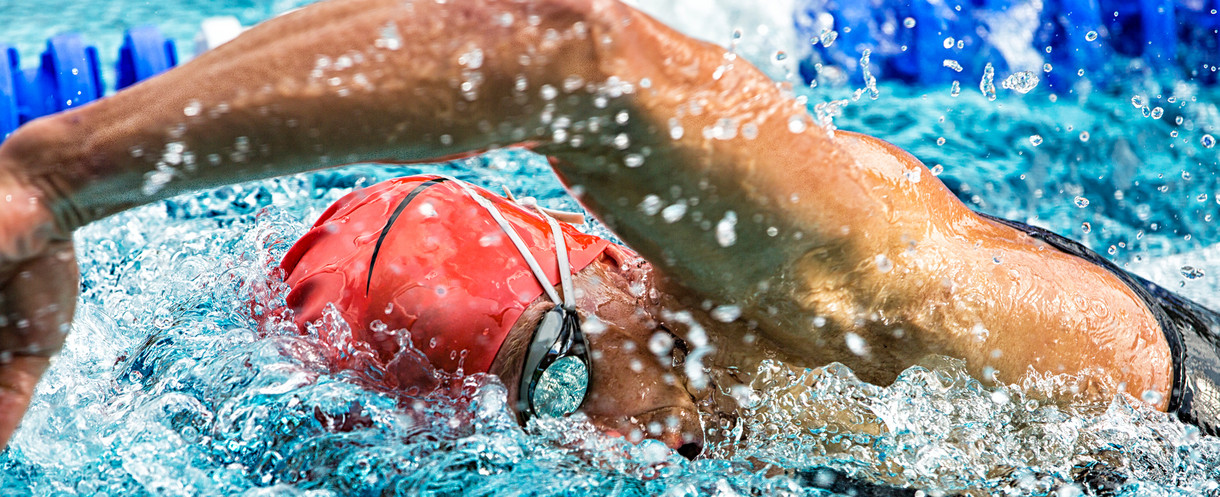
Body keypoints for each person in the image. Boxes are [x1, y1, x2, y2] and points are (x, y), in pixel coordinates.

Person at [0, 0, 1215, 458]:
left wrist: (54, 179)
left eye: (553, 368)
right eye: (516, 431)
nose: (584, 445)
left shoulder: (850, 294)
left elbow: (566, 47)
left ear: (607, 249)